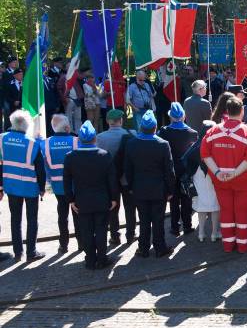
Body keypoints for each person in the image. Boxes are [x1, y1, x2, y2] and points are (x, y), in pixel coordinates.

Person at [202, 98, 247, 252]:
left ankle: (228, 245)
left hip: (220, 181)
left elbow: (204, 154)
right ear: (242, 111)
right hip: (244, 181)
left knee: (226, 211)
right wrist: (235, 173)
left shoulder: (212, 131)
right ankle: (243, 245)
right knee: (242, 212)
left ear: (227, 111)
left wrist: (217, 172)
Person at [63, 121, 118, 270]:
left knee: (86, 231)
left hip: (82, 200)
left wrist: (71, 200)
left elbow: (66, 181)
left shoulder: (70, 157)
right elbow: (112, 179)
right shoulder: (104, 155)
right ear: (94, 138)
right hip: (102, 199)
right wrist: (114, 198)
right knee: (101, 229)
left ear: (79, 139)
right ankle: (102, 258)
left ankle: (90, 260)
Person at [124, 111, 174, 258]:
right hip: (158, 189)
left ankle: (143, 248)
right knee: (158, 220)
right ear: (155, 127)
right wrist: (170, 189)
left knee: (144, 219)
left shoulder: (131, 144)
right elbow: (169, 170)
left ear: (141, 127)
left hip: (139, 188)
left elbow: (128, 169)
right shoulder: (163, 144)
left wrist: (131, 187)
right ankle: (160, 248)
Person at [0, 111, 46, 262]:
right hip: (30, 187)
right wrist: (42, 187)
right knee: (32, 219)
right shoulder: (33, 143)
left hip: (11, 186)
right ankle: (31, 252)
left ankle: (18, 253)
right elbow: (40, 169)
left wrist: (1, 186)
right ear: (27, 126)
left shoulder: (2, 139)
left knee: (15, 219)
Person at [97, 109, 137, 245]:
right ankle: (130, 234)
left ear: (108, 121)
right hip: (127, 178)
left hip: (110, 180)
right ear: (121, 121)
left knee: (113, 208)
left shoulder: (100, 138)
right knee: (130, 208)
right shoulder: (132, 134)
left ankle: (115, 235)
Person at [158, 102, 199, 235]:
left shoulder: (163, 132)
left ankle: (174, 227)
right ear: (184, 116)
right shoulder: (193, 133)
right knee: (186, 199)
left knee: (173, 201)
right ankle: (187, 225)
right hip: (186, 172)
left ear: (170, 117)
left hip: (170, 172)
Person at [44, 114, 82, 254]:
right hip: (75, 186)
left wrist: (50, 181)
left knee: (62, 216)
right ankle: (81, 243)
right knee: (78, 215)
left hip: (58, 186)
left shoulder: (45, 143)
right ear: (67, 127)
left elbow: (45, 167)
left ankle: (63, 245)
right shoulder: (76, 141)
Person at [181, 120, 220, 242]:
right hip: (212, 177)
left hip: (198, 178)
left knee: (201, 205)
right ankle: (214, 233)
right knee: (215, 206)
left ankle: (201, 233)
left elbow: (185, 160)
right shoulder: (214, 145)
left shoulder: (195, 146)